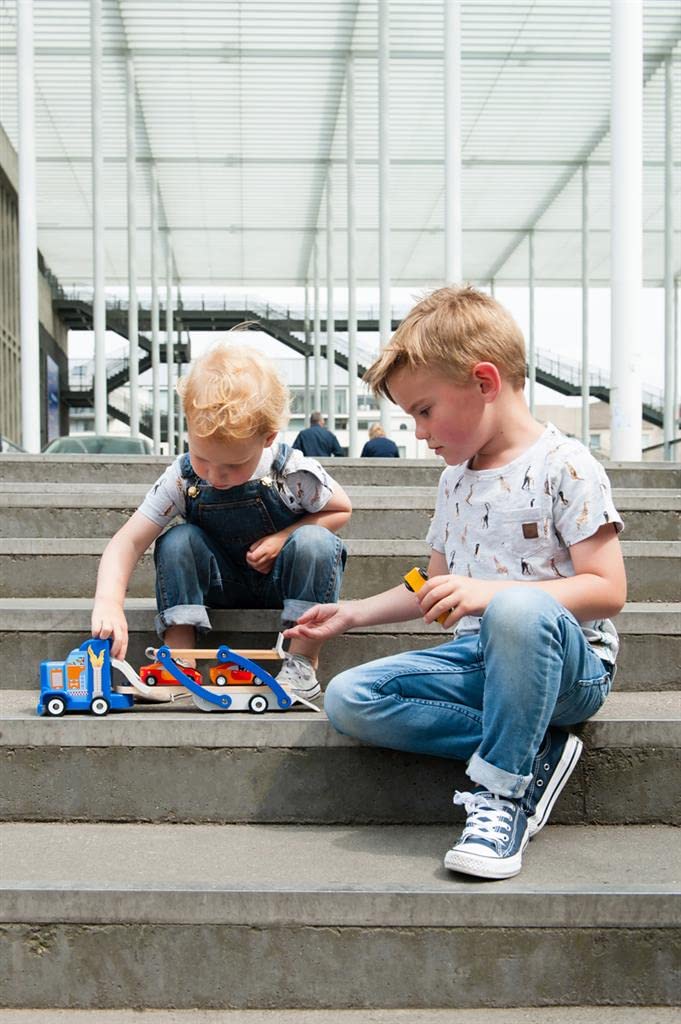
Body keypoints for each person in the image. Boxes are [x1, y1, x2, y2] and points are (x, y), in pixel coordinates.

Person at [285, 285, 626, 878]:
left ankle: (502, 795)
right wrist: (353, 613)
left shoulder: (566, 466)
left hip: (568, 667)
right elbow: (434, 579)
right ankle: (533, 750)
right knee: (348, 698)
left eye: (424, 410)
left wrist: (494, 595)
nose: (418, 432)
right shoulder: (455, 482)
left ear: (485, 382)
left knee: (517, 613)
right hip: (478, 661)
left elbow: (607, 589)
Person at [91, 344, 352, 699]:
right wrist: (108, 602)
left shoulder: (291, 472)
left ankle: (301, 663)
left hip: (283, 583)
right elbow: (128, 541)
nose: (216, 476)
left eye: (233, 466)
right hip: (220, 584)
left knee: (315, 542)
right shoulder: (182, 478)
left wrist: (284, 536)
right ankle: (181, 661)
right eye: (202, 458)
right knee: (177, 539)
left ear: (268, 438)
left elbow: (340, 509)